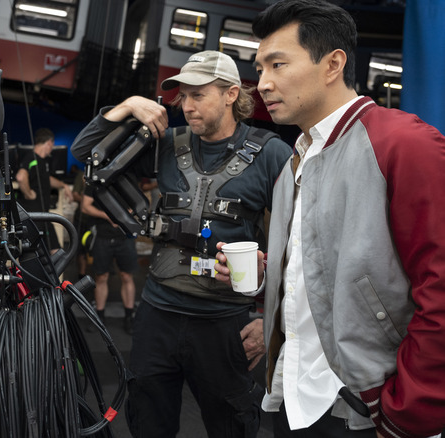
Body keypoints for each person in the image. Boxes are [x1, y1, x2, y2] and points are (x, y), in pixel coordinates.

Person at [219, 1, 445, 436]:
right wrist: (269, 280)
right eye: (259, 67)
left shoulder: (405, 144)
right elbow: (332, 274)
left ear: (332, 64)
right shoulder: (294, 163)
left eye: (277, 64)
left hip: (366, 410)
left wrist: (407, 411)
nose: (262, 83)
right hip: (290, 395)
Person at [71, 51, 292, 437]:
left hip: (225, 323)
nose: (186, 107)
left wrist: (272, 322)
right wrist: (125, 107)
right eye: (182, 97)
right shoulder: (166, 145)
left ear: (230, 94)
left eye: (198, 95)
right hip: (157, 314)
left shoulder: (271, 154)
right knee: (148, 421)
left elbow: (301, 245)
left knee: (231, 425)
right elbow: (85, 154)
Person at [81, 186, 138, 334]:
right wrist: (108, 216)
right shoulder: (96, 180)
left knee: (127, 276)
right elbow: (85, 207)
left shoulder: (127, 177)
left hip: (125, 236)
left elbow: (139, 203)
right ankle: (99, 317)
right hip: (102, 236)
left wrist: (123, 216)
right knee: (101, 277)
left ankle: (129, 317)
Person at [16, 128, 73, 249]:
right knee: (31, 254)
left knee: (56, 251)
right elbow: (21, 177)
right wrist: (29, 194)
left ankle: (53, 268)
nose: (51, 148)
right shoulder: (31, 158)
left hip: (44, 217)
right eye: (52, 145)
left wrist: (64, 185)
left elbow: (48, 179)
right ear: (49, 143)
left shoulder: (41, 162)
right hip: (33, 218)